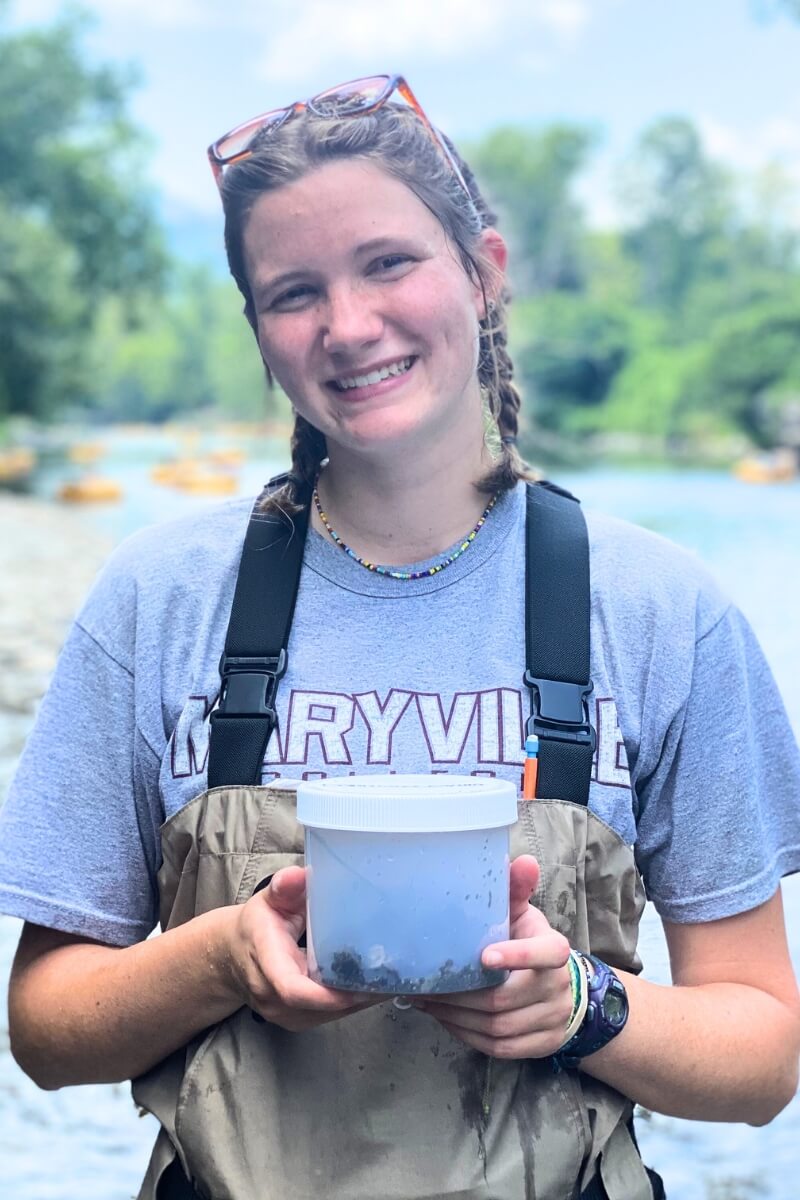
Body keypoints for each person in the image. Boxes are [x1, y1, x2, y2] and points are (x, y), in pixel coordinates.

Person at [1, 74, 800, 1200]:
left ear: (484, 273)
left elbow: (763, 1055)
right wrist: (223, 956)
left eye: (388, 262)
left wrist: (578, 1004)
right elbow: (44, 1030)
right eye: (292, 291)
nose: (348, 325)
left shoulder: (661, 610)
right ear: (257, 332)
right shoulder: (158, 599)